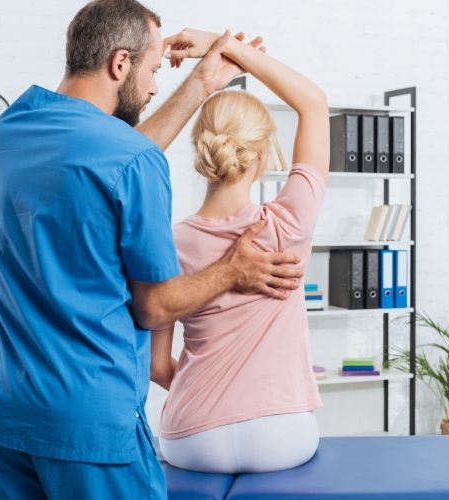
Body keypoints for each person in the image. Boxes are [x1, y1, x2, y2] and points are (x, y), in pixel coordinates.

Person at [0, 1, 301, 498]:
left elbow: (109, 159)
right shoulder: (131, 160)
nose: (153, 88)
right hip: (90, 425)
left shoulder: (9, 132)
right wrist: (231, 270)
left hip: (9, 415)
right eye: (152, 71)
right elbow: (154, 306)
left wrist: (199, 86)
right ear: (120, 63)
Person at [149, 28, 330, 474]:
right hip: (281, 434)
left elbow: (157, 367)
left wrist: (209, 401)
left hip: (190, 436)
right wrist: (225, 44)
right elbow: (313, 102)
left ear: (200, 149)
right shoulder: (288, 223)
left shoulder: (166, 240)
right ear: (264, 153)